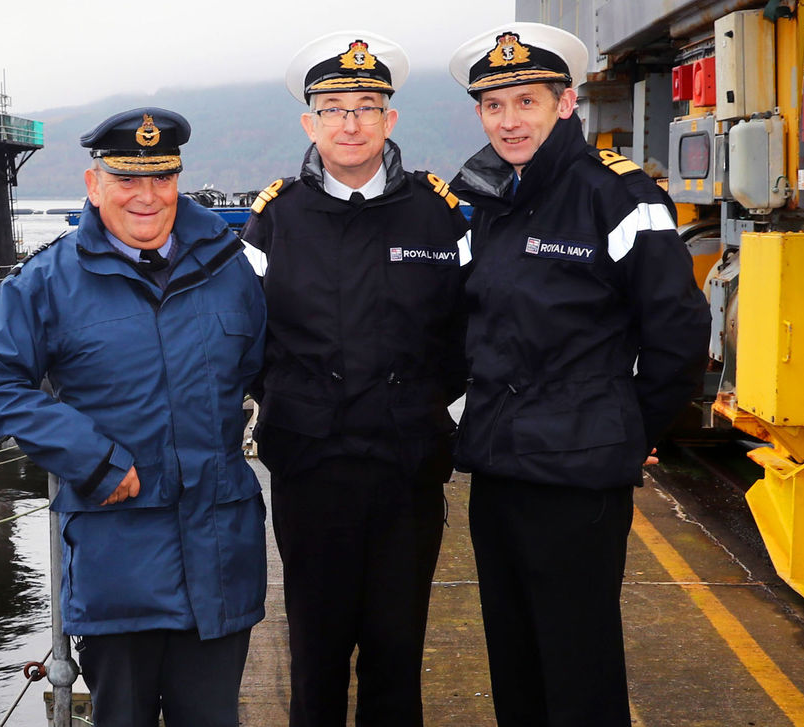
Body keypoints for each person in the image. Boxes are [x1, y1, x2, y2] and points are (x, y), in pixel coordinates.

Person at [0, 107, 268, 727]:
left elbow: (266, 372)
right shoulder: (47, 282)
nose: (147, 197)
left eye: (161, 179)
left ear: (178, 181)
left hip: (220, 554)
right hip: (119, 560)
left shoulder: (229, 269)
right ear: (94, 185)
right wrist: (91, 458)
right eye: (127, 180)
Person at [446, 23, 711, 727]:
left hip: (575, 477)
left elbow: (679, 329)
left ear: (565, 104)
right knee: (516, 661)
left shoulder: (616, 194)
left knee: (578, 668)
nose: (509, 120)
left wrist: (629, 428)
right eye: (494, 106)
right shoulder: (489, 199)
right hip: (499, 469)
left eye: (525, 101)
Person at [240, 31, 470, 726]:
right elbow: (244, 338)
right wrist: (291, 402)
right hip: (314, 470)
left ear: (389, 120)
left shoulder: (439, 213)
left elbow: (470, 329)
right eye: (333, 107)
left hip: (408, 468)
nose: (350, 121)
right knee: (316, 649)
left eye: (366, 106)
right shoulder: (276, 219)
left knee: (398, 649)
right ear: (310, 123)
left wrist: (435, 409)